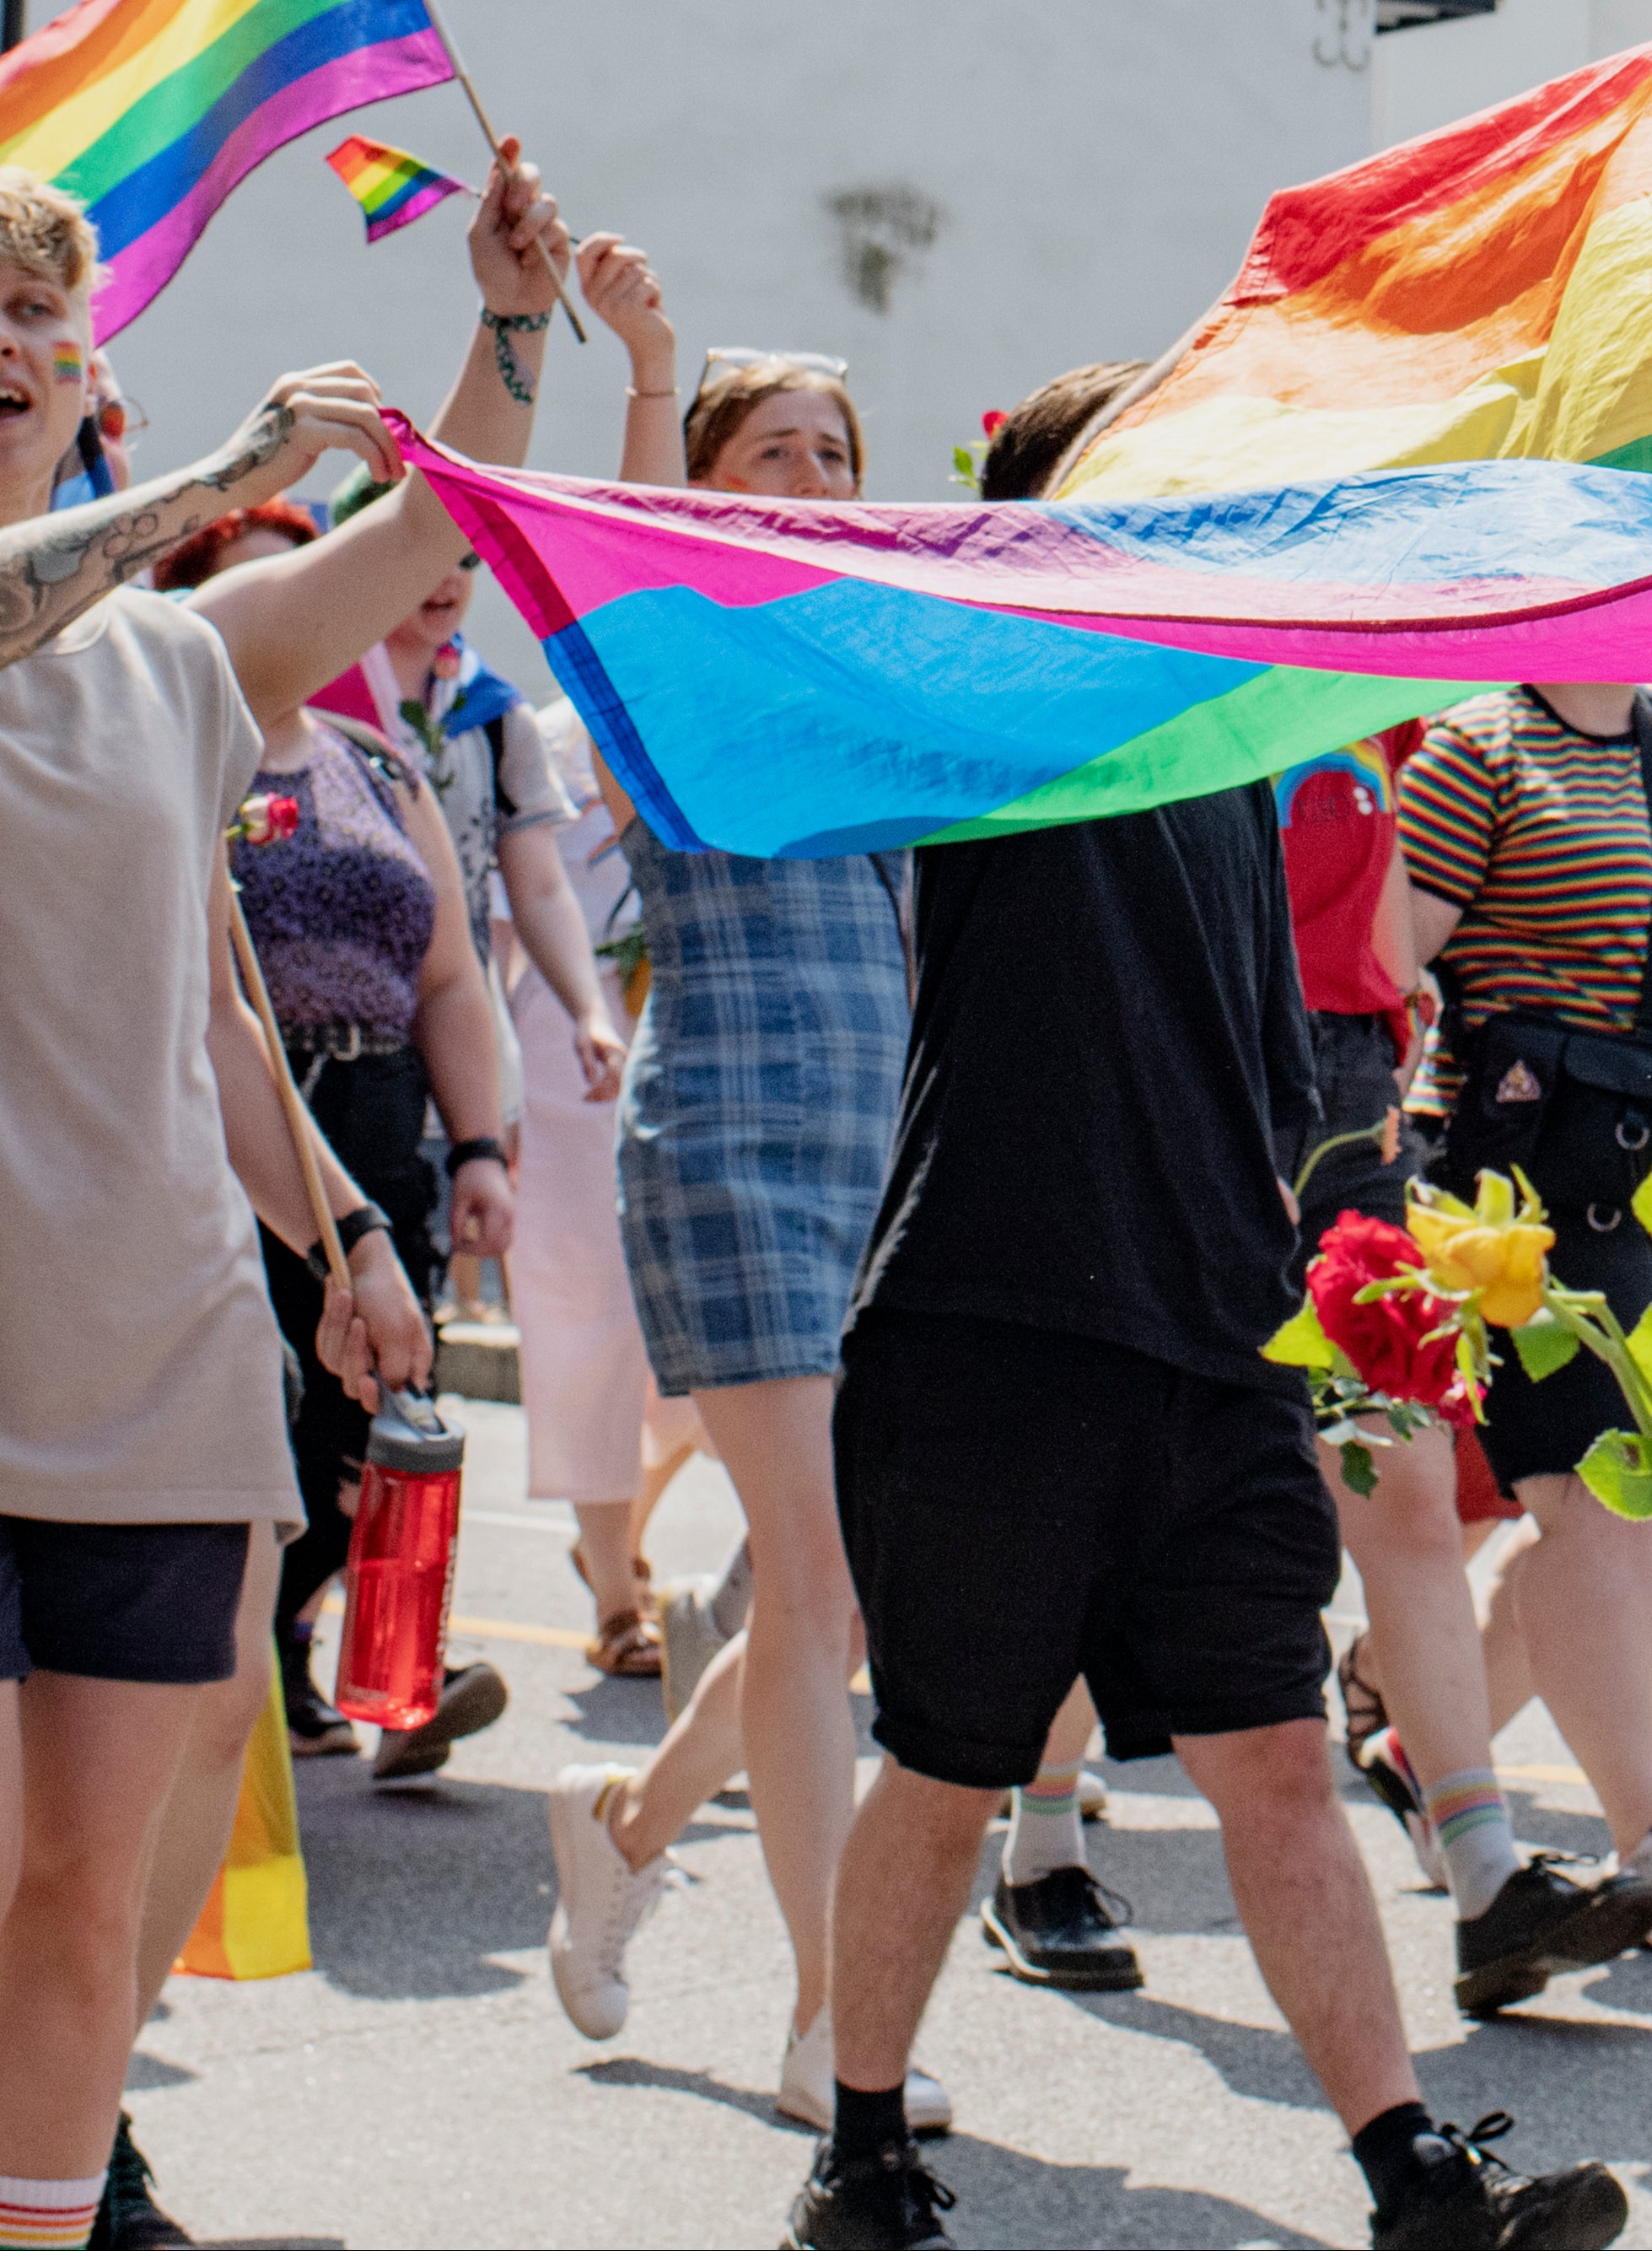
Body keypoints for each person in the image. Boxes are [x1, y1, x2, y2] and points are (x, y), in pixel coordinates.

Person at [0, 151, 584, 2251]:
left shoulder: (180, 667)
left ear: (86, 357)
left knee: (92, 1913)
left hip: (165, 1376)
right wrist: (207, 474)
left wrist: (512, 323)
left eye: (32, 312)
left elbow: (421, 538)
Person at [784, 358, 1633, 2251]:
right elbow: (829, 615)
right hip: (990, 1323)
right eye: (1145, 468)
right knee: (948, 1759)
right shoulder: (986, 697)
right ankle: (854, 2153)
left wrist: (1355, 1295)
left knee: (1274, 1761)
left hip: (1211, 1344)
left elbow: (1283, 1099)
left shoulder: (1232, 754)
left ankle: (1411, 2168)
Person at [542, 301, 939, 2131]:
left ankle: (624, 1834)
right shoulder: (674, 676)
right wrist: (641, 371)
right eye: (768, 447)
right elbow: (613, 583)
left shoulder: (873, 683)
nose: (809, 477)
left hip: (880, 1160)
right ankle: (822, 2019)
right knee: (825, 1580)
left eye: (834, 452)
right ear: (702, 482)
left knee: (810, 1593)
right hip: (730, 1150)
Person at [1383, 677, 1652, 1974]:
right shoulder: (1477, 746)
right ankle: (1647, 1846)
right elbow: (1384, 960)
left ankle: (1424, 1742)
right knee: (1603, 1507)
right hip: (1543, 1194)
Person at [190, 506, 527, 1768]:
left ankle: (337, 1646)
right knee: (253, 1418)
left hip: (380, 1118)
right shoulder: (172, 762)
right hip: (231, 1128)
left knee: (377, 1423)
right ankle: (244, 1671)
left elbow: (448, 973)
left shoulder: (374, 764)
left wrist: (478, 1143)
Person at [385, 556, 667, 1676]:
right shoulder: (531, 732)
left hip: (671, 1056)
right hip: (558, 1085)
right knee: (587, 1333)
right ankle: (608, 1593)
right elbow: (501, 927)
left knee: (700, 1369)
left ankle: (620, 1544)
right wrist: (487, 1109)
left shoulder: (727, 741)